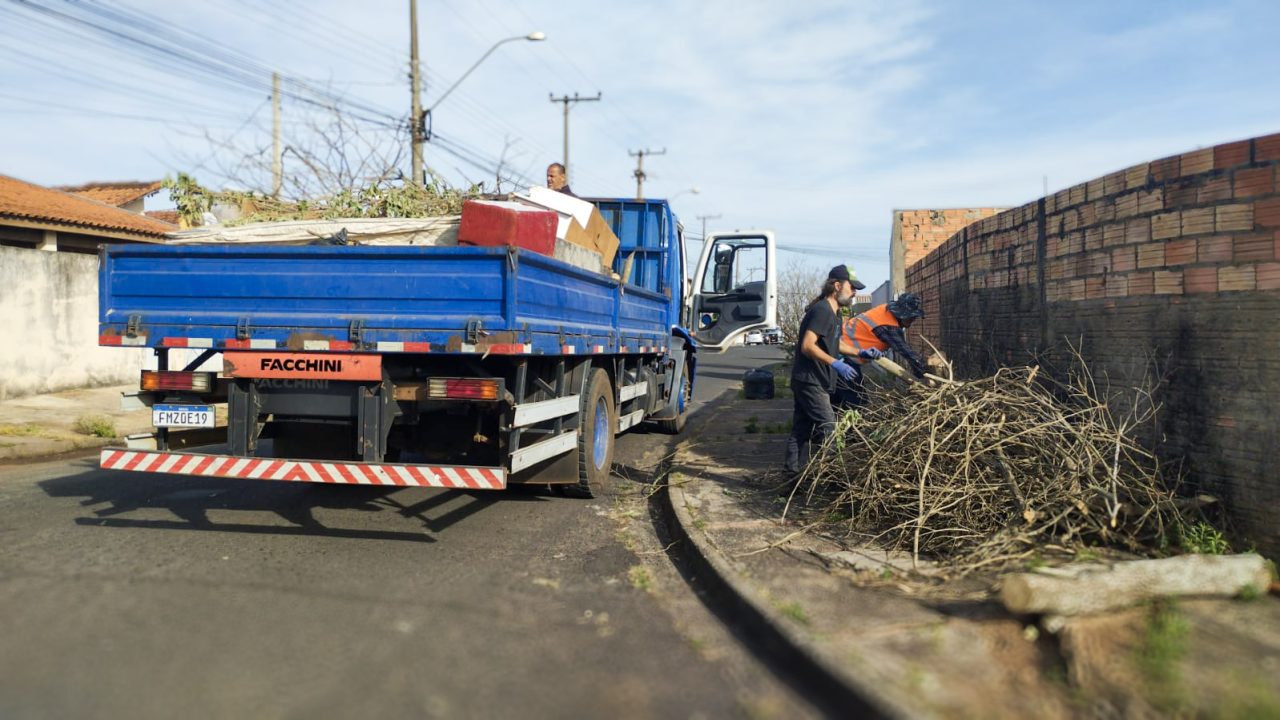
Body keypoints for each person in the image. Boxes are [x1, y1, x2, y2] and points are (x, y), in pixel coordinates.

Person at [782, 264, 864, 477]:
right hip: (811, 380)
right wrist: (835, 363)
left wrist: (861, 352)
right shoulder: (822, 311)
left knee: (800, 431)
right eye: (852, 287)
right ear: (837, 286)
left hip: (815, 379)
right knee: (830, 430)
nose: (854, 292)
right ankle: (832, 478)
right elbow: (808, 346)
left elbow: (835, 344)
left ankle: (791, 479)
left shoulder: (834, 313)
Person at [839, 292, 929, 381]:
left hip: (842, 349)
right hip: (842, 355)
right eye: (911, 317)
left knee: (853, 391)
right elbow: (907, 353)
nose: (913, 320)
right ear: (902, 315)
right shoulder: (889, 327)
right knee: (851, 393)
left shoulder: (886, 310)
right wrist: (924, 375)